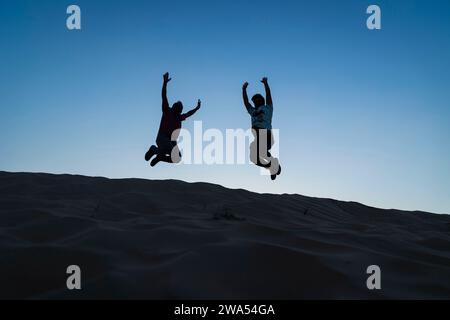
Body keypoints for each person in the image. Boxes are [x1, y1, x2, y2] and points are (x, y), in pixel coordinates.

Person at [145, 72, 201, 167]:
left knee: (177, 158)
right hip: (162, 137)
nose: (179, 109)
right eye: (177, 106)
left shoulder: (179, 117)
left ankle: (160, 157)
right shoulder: (167, 110)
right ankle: (154, 149)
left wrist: (197, 108)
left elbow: (189, 114)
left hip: (172, 141)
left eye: (180, 108)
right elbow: (164, 96)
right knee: (168, 149)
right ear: (174, 106)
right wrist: (165, 83)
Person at [242, 77, 281, 180]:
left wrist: (265, 84)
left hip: (266, 135)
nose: (255, 103)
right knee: (253, 158)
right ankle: (272, 166)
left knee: (261, 151)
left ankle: (273, 164)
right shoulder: (252, 111)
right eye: (254, 102)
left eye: (256, 101)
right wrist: (244, 90)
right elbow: (246, 103)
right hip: (258, 137)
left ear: (261, 101)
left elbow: (268, 95)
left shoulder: (268, 108)